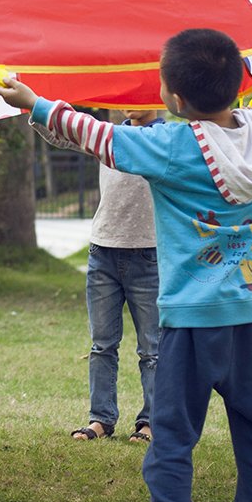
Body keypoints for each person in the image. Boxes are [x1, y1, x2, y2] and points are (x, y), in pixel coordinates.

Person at [0, 34, 252, 502]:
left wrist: (33, 103)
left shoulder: (172, 145)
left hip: (193, 320)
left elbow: (96, 135)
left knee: (173, 432)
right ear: (236, 86)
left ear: (174, 99)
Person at [72, 108, 164, 447]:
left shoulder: (166, 138)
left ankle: (152, 422)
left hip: (149, 256)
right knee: (102, 345)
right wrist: (32, 105)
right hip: (103, 254)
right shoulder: (107, 136)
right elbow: (62, 131)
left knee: (153, 349)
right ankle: (101, 419)